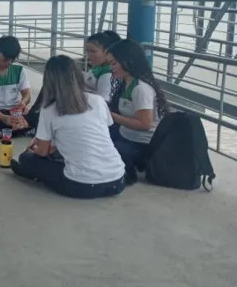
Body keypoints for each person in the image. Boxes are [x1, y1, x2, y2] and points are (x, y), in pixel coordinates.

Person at [11, 55, 125, 199]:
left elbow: (43, 152)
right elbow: (90, 136)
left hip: (82, 185)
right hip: (118, 180)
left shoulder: (49, 109)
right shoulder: (98, 100)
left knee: (24, 160)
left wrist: (33, 149)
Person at [106, 39, 170, 185]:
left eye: (114, 63)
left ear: (128, 62)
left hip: (143, 143)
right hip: (128, 134)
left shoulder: (141, 89)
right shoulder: (126, 82)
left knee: (110, 147)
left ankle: (130, 172)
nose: (111, 68)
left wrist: (113, 117)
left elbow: (145, 124)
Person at [84, 30, 122, 102]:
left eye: (93, 51)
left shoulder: (107, 75)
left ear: (107, 52)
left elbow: (104, 102)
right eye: (87, 51)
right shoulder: (99, 68)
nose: (89, 55)